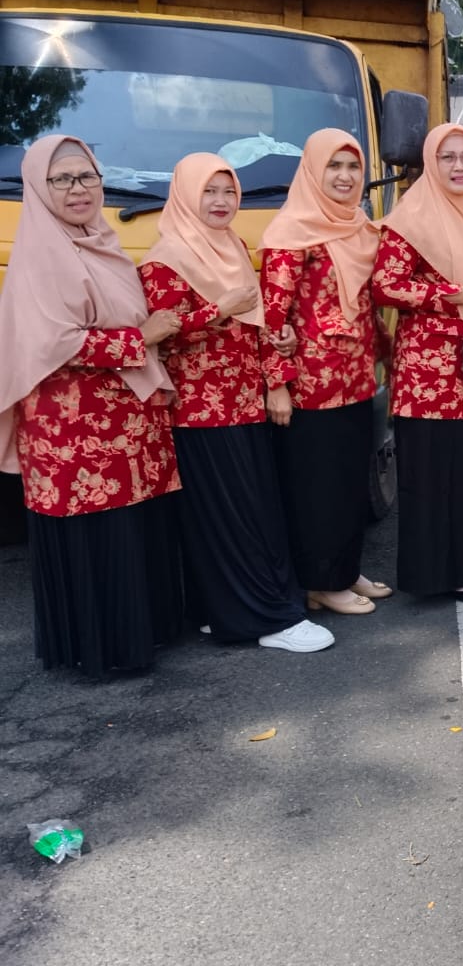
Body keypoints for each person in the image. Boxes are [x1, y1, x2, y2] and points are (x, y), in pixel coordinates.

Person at [0, 137, 184, 677]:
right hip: (72, 426)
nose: (78, 190)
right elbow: (54, 342)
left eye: (87, 177)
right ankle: (104, 649)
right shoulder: (39, 252)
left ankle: (142, 634)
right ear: (39, 187)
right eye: (62, 180)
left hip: (124, 419)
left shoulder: (97, 241)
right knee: (95, 533)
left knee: (130, 529)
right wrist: (141, 337)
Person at [140, 153, 333, 653]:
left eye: (228, 191)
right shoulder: (165, 259)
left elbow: (259, 323)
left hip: (244, 402)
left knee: (249, 510)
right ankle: (265, 619)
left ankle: (220, 611)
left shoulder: (232, 246)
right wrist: (217, 308)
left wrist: (278, 366)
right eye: (209, 191)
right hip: (201, 412)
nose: (221, 202)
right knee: (232, 516)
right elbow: (162, 339)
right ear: (185, 195)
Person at [372, 123, 463, 601]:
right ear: (431, 164)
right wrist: (454, 294)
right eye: (448, 157)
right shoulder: (412, 218)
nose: (459, 167)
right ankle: (440, 572)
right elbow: (385, 285)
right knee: (437, 473)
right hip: (429, 374)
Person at [260, 129, 390, 615]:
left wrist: (387, 352)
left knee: (350, 480)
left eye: (353, 167)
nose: (344, 176)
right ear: (314, 172)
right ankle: (319, 582)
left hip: (355, 378)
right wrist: (276, 384)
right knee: (316, 486)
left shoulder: (358, 227)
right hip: (310, 386)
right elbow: (272, 318)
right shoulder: (291, 233)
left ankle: (344, 570)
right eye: (333, 166)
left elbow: (365, 303)